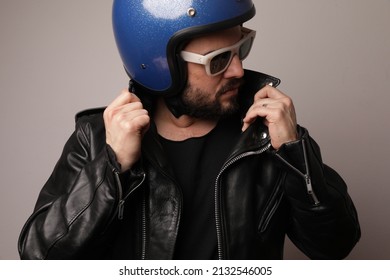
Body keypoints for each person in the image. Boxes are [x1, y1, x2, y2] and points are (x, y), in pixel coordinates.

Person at [18, 0, 360, 260]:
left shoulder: (269, 135)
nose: (239, 70)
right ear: (160, 67)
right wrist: (112, 167)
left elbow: (334, 247)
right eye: (218, 60)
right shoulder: (96, 139)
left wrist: (294, 153)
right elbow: (39, 256)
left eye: (241, 47)